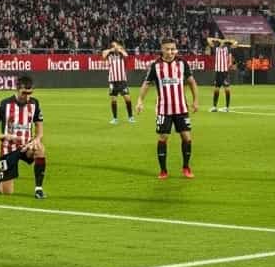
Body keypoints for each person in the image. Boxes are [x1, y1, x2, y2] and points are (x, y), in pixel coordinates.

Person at [136, 37, 199, 179]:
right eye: (167, 49)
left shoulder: (182, 63)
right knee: (163, 137)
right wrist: (140, 100)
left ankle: (186, 167)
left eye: (173, 49)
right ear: (162, 49)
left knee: (187, 137)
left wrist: (195, 100)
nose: (170, 52)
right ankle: (163, 170)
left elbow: (192, 82)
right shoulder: (155, 66)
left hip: (181, 108)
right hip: (164, 109)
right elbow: (146, 84)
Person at [0, 73, 46, 199]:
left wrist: (36, 139)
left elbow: (39, 128)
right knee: (7, 192)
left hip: (26, 146)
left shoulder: (35, 104)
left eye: (30, 93)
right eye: (24, 93)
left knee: (40, 148)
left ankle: (38, 189)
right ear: (17, 89)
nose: (27, 96)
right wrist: (2, 136)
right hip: (8, 149)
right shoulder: (3, 104)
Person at [101, 40, 134, 125]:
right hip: (112, 81)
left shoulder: (121, 54)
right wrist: (111, 50)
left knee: (127, 98)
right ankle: (115, 118)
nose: (115, 47)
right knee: (113, 100)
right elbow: (103, 55)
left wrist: (119, 49)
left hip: (122, 80)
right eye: (114, 46)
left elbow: (127, 56)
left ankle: (130, 117)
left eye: (116, 45)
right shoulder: (109, 54)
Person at [206, 35, 236, 113]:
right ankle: (214, 107)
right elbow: (208, 40)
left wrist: (227, 40)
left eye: (223, 42)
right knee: (216, 89)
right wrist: (217, 39)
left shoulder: (227, 48)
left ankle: (227, 107)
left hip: (225, 72)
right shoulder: (215, 48)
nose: (222, 43)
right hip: (218, 72)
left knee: (227, 89)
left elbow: (235, 43)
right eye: (221, 42)